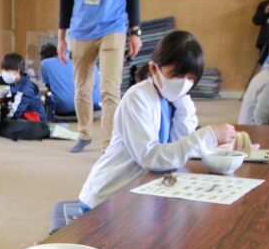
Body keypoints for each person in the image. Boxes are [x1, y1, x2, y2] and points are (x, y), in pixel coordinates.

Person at [79, 31, 235, 209]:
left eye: (190, 78)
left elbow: (178, 152)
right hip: (108, 198)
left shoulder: (176, 100)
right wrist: (208, 136)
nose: (184, 83)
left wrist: (186, 108)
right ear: (154, 69)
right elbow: (151, 158)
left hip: (140, 192)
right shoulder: (137, 98)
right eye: (176, 75)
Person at [57, 0, 145, 153]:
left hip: (113, 26)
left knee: (110, 89)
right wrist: (61, 36)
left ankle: (108, 145)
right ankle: (84, 134)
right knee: (81, 88)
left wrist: (135, 32)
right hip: (80, 28)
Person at [39, 43, 101, 115]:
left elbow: (48, 87)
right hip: (94, 104)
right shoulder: (72, 63)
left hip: (66, 107)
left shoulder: (45, 63)